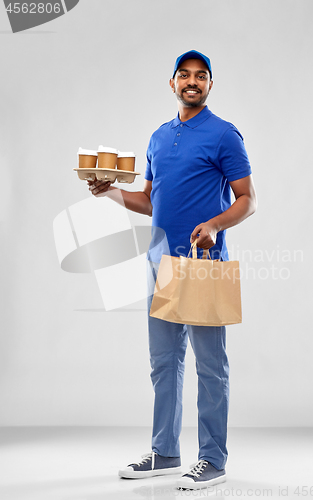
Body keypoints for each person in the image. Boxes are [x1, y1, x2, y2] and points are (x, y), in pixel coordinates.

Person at [88, 50, 257, 490]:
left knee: (210, 367)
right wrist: (109, 193)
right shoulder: (159, 138)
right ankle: (165, 452)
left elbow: (247, 199)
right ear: (172, 84)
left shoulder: (224, 135)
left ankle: (213, 459)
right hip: (159, 264)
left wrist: (217, 224)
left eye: (201, 76)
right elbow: (149, 200)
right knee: (164, 364)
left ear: (210, 85)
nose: (192, 82)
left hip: (202, 265)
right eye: (185, 75)